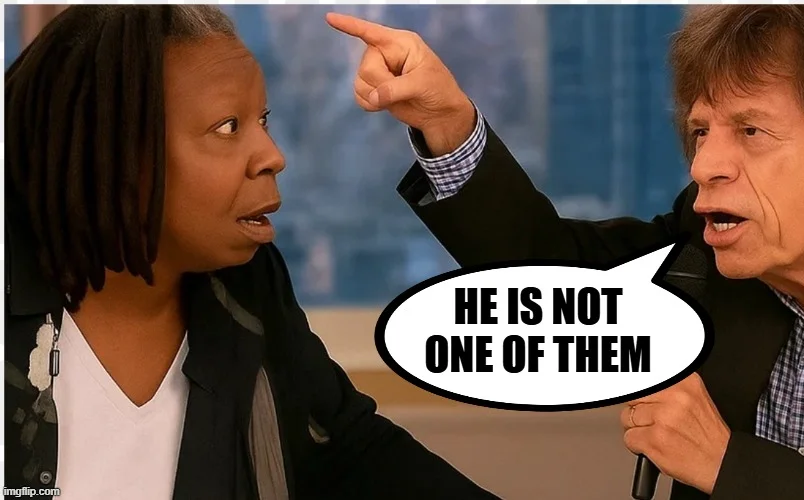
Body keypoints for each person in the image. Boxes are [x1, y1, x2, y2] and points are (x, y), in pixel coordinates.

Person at [326, 5, 804, 499]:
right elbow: (550, 277)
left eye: (750, 130)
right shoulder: (714, 242)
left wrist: (728, 466)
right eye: (702, 131)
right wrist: (446, 123)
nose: (705, 164)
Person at [5, 6, 499, 500]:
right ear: (113, 153)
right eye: (228, 127)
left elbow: (357, 453)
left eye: (262, 120)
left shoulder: (246, 290)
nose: (272, 156)